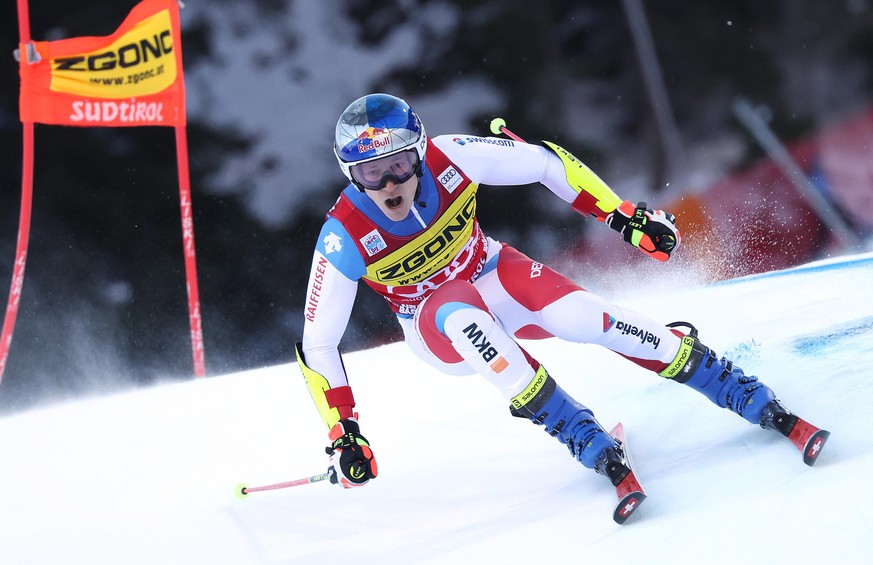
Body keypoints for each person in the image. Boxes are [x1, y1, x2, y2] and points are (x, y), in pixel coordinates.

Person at [296, 93, 829, 493]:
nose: (388, 184)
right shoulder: (343, 234)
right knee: (462, 312)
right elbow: (318, 343)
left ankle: (729, 384)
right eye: (370, 172)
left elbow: (545, 162)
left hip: (492, 272)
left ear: (418, 152)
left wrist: (625, 218)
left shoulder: (450, 156)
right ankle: (576, 429)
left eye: (397, 165)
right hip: (435, 324)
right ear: (351, 174)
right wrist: (345, 432)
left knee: (584, 318)